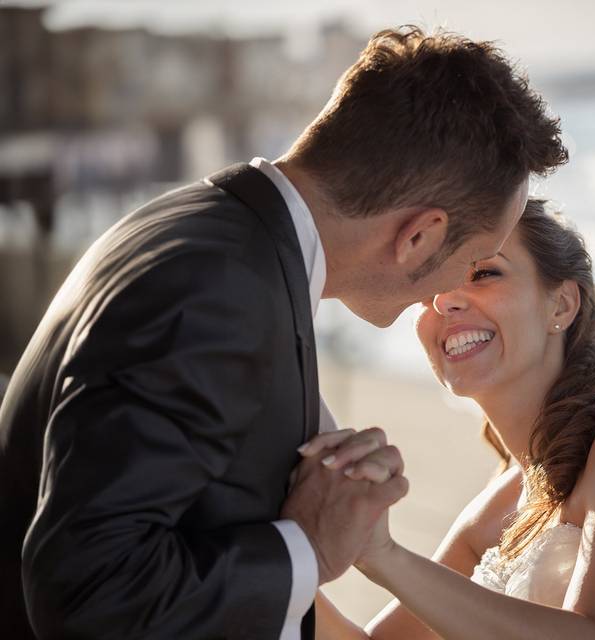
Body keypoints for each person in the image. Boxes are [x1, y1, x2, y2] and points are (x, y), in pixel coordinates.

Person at [0, 27, 566, 639]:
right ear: (420, 236)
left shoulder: (208, 229)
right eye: (475, 257)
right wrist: (308, 548)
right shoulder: (216, 291)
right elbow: (88, 592)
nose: (445, 292)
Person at [305, 199, 595, 639]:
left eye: (483, 273)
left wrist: (383, 556)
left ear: (561, 305)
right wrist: (266, 547)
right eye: (428, 289)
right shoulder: (498, 503)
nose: (446, 302)